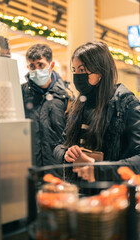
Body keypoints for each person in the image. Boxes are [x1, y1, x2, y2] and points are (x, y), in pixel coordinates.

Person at [53, 41, 140, 182]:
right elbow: (59, 144)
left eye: (82, 70)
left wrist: (99, 170)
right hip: (78, 190)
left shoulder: (127, 105)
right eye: (74, 70)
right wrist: (65, 153)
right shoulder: (79, 103)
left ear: (101, 71)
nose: (77, 76)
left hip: (111, 194)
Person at [21, 44, 74, 179]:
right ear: (28, 68)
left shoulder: (65, 97)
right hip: (30, 170)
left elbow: (72, 135)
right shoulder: (21, 94)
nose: (37, 69)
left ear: (51, 66)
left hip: (58, 172)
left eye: (41, 65)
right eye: (32, 66)